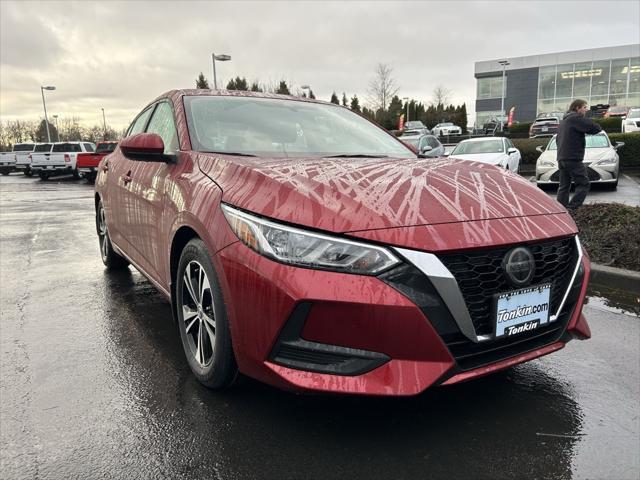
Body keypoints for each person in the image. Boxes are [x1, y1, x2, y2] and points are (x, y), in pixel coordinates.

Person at [555, 99, 602, 210]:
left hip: (561, 158)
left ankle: (561, 210)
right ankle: (572, 208)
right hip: (573, 158)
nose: (586, 110)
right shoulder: (576, 118)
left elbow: (557, 140)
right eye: (585, 107)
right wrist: (587, 119)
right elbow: (596, 128)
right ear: (577, 108)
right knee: (584, 184)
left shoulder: (564, 121)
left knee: (564, 186)